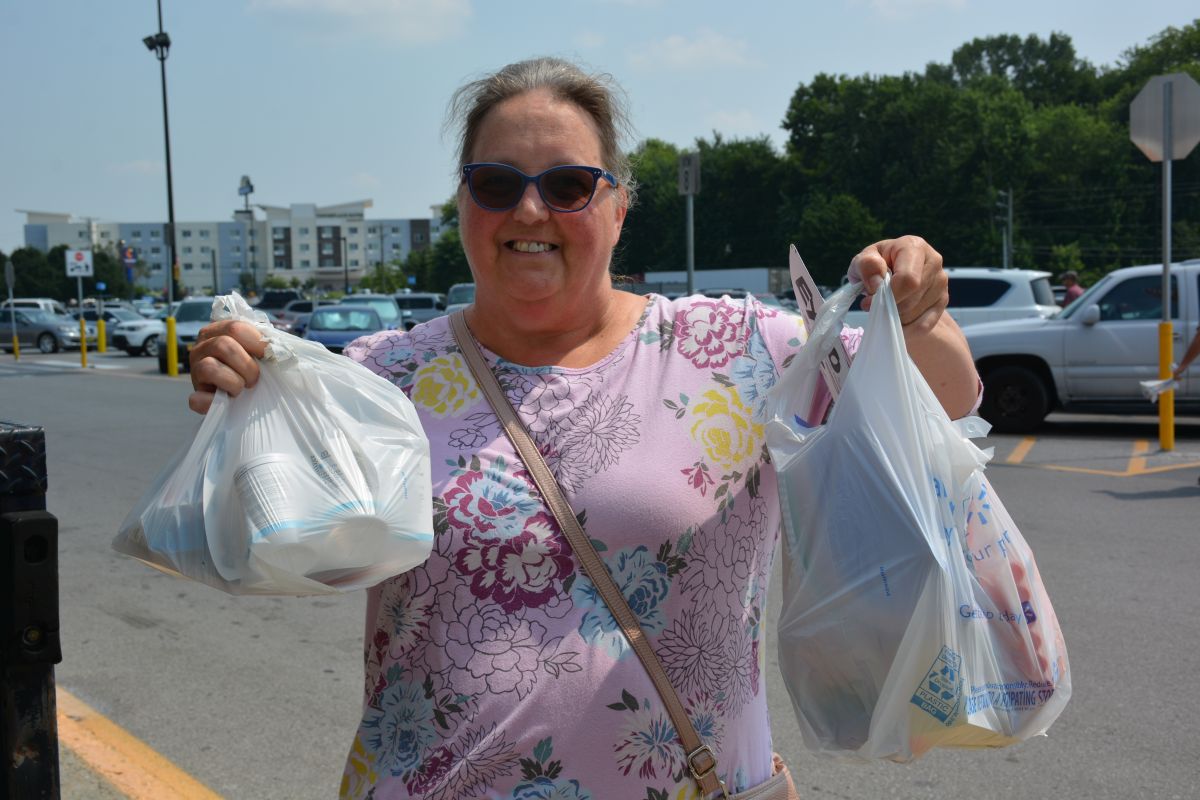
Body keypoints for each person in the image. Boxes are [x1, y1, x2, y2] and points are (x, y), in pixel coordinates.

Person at [187, 57, 979, 799]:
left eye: (568, 185)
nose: (529, 210)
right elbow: (267, 550)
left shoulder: (739, 349)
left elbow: (945, 398)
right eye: (496, 183)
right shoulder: (379, 378)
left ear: (618, 208)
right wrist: (244, 407)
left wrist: (919, 312)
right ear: (463, 204)